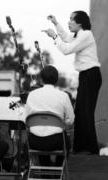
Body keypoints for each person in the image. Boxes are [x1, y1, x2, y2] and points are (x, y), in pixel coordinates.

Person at [42, 11, 102, 154]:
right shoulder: (79, 35)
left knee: (86, 112)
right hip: (85, 75)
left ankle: (91, 148)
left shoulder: (86, 35)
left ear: (79, 22)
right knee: (80, 111)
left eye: (71, 20)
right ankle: (80, 147)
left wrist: (54, 37)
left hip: (91, 75)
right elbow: (67, 38)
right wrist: (56, 23)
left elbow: (67, 49)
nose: (69, 22)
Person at [25, 65, 74, 165]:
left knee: (39, 137)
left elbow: (26, 119)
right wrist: (61, 123)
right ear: (56, 80)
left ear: (41, 79)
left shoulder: (32, 94)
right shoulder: (63, 96)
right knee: (67, 143)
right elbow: (71, 120)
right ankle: (57, 169)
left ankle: (45, 171)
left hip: (34, 142)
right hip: (56, 141)